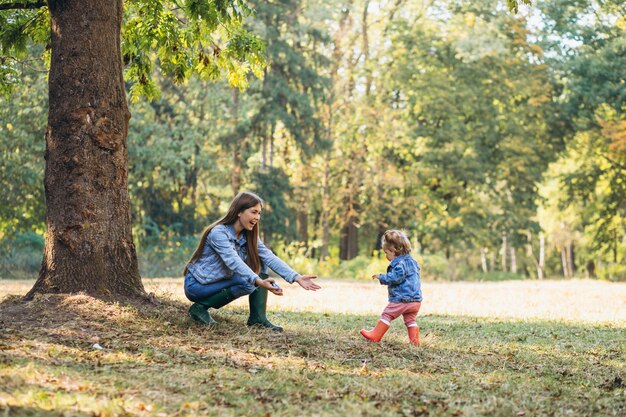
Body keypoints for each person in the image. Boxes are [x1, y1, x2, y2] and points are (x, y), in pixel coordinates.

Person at [184, 191, 320, 331]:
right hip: (197, 285)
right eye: (254, 212)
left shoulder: (248, 236)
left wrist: (296, 277)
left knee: (260, 263)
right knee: (249, 281)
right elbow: (233, 261)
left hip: (218, 281)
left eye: (259, 213)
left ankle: (258, 318)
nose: (257, 217)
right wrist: (258, 281)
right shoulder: (219, 233)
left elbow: (269, 256)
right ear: (239, 212)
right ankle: (199, 308)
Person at [360, 230, 422, 345]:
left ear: (394, 250)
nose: (386, 256)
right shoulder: (413, 261)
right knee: (410, 320)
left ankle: (375, 335)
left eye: (386, 252)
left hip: (402, 299)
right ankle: (414, 342)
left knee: (387, 315)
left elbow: (395, 278)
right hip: (416, 301)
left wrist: (382, 277)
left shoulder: (400, 264)